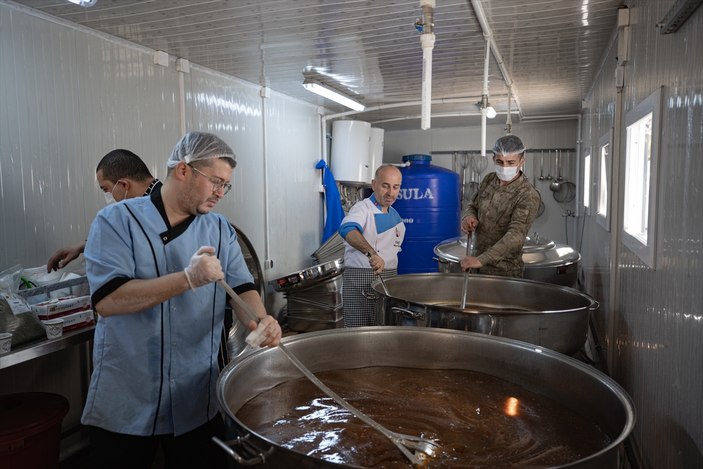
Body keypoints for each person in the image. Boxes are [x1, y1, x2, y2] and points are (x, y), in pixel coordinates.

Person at [81, 131, 282, 469]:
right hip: (128, 397)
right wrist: (187, 279)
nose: (220, 193)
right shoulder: (116, 221)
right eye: (215, 181)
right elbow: (108, 301)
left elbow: (242, 286)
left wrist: (259, 319)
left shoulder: (219, 228)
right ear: (184, 170)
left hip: (195, 399)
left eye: (225, 185)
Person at [46, 149, 161, 272]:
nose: (108, 196)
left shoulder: (159, 208)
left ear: (124, 185)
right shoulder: (146, 204)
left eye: (105, 189)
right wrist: (82, 246)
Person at [460, 135, 541, 277]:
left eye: (510, 162)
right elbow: (473, 205)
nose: (504, 167)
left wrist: (481, 260)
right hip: (476, 266)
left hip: (504, 272)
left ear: (522, 161)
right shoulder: (489, 179)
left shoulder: (527, 194)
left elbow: (515, 236)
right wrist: (469, 217)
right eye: (500, 162)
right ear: (493, 159)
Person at [339, 164, 405, 327]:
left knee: (385, 331)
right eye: (385, 186)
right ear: (374, 184)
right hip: (360, 280)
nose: (391, 193)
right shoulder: (362, 209)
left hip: (389, 280)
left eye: (395, 187)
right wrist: (372, 253)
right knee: (358, 335)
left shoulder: (396, 217)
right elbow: (348, 230)